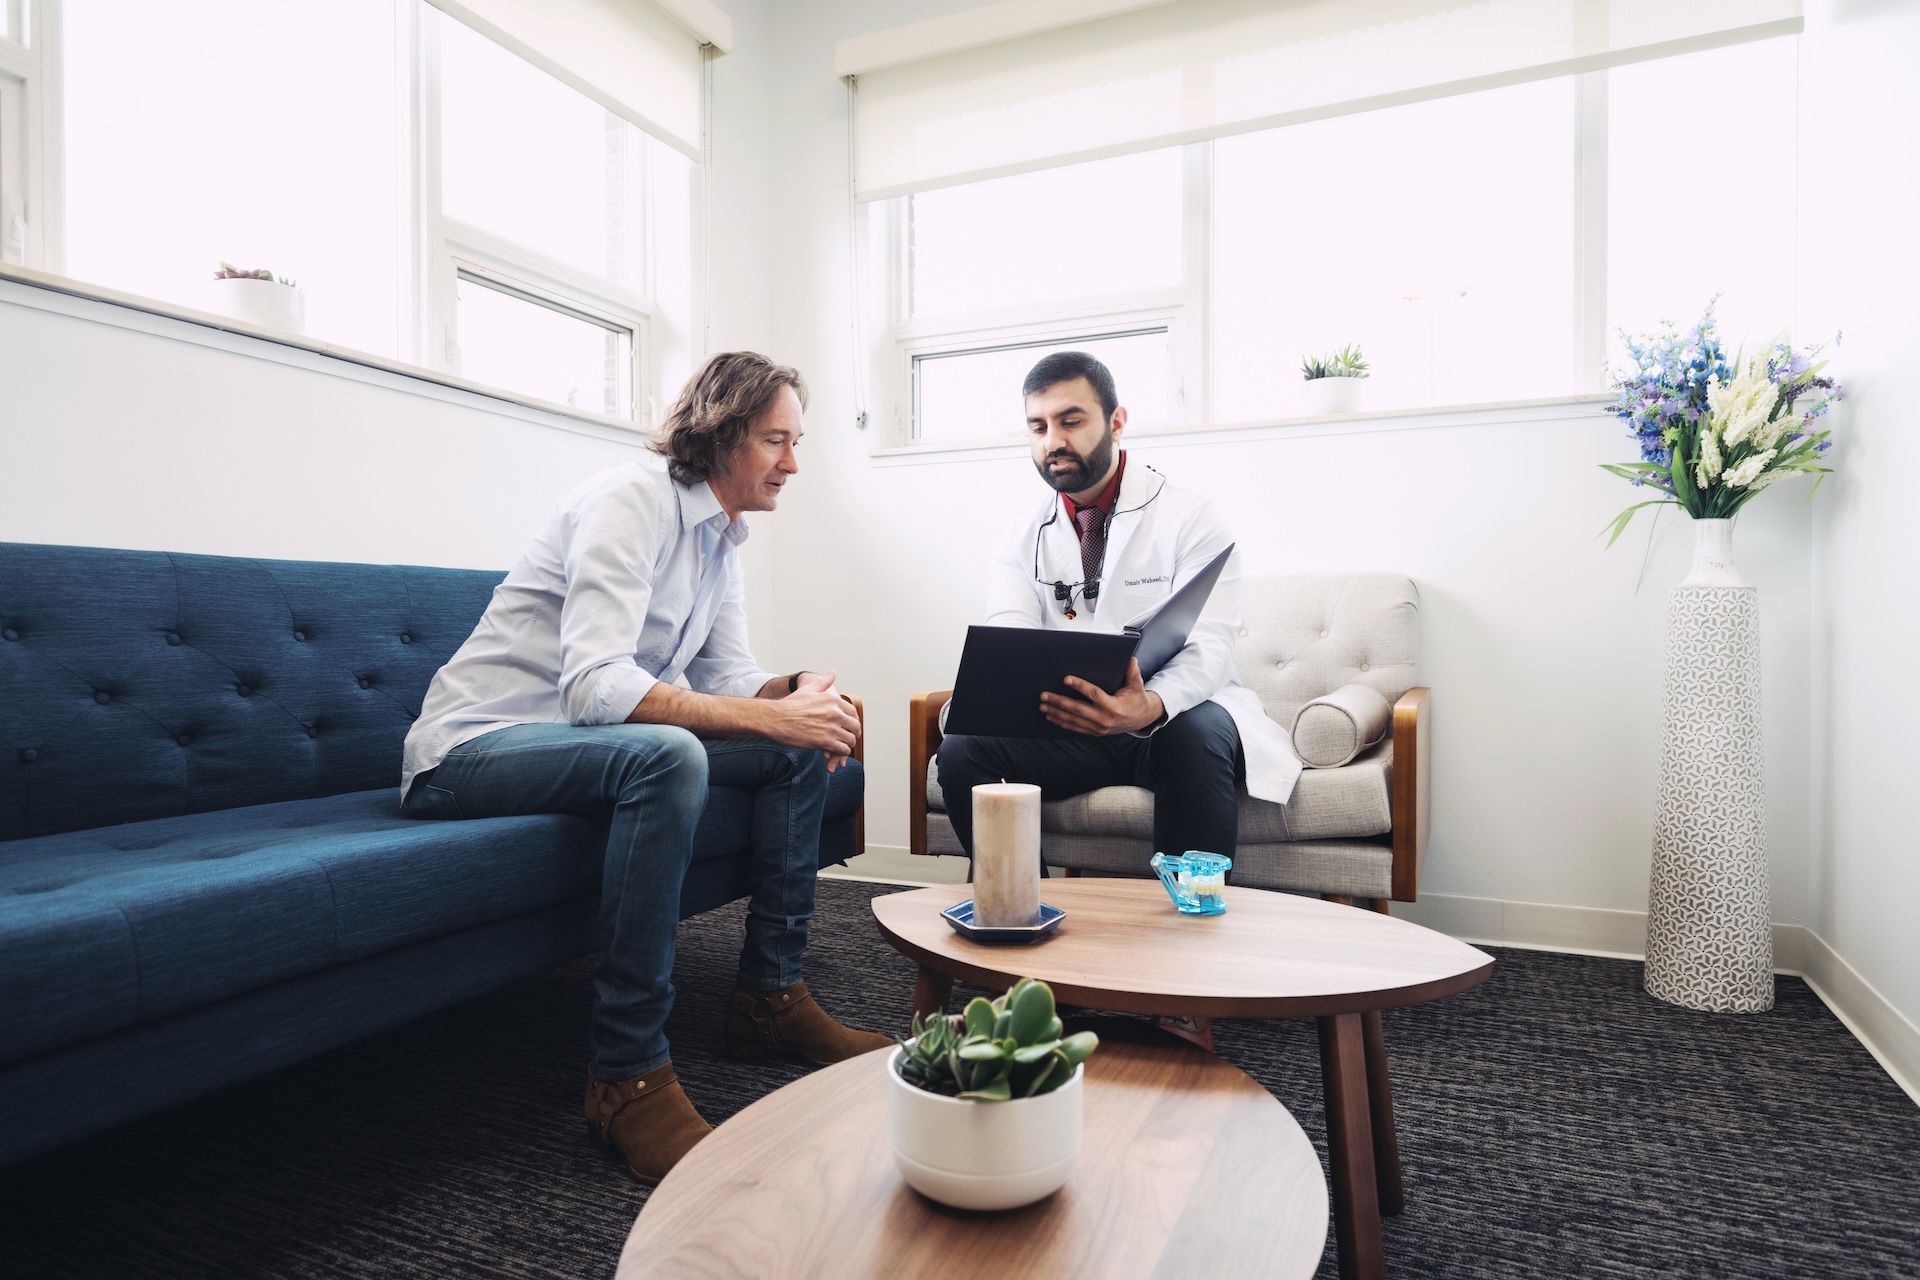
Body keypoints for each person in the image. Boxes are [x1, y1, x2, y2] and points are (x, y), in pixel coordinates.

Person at [400, 352, 890, 1186]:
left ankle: (770, 998)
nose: (793, 464)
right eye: (777, 440)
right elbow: (594, 687)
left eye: (796, 442)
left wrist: (792, 697)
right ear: (724, 431)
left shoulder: (721, 538)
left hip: (574, 753)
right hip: (472, 752)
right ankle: (626, 1075)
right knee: (670, 754)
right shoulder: (629, 501)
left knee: (789, 745)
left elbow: (729, 679)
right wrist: (769, 712)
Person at [936, 350, 1302, 867]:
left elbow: (1212, 645)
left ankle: (1189, 925)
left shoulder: (1191, 518)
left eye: (1071, 420)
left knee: (1193, 733)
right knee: (961, 749)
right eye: (1037, 426)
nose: (1053, 442)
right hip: (1072, 729)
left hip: (1169, 722)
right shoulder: (1020, 538)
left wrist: (1148, 705)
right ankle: (1016, 910)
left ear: (1116, 421)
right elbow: (1009, 642)